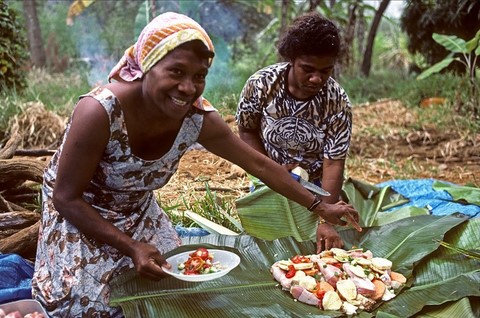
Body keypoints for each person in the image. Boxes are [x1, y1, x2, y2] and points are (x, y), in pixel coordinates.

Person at [32, 12, 360, 317]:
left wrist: (321, 206)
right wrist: (130, 247)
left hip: (136, 211)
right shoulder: (99, 112)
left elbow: (259, 166)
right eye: (176, 72)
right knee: (89, 308)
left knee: (174, 292)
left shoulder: (196, 117)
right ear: (147, 65)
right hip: (80, 212)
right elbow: (65, 197)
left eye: (199, 76)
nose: (188, 88)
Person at [236, 12, 358, 253]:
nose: (316, 78)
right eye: (308, 69)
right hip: (268, 177)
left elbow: (333, 163)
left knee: (320, 246)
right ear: (291, 59)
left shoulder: (337, 102)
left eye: (326, 71)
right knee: (267, 248)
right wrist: (271, 170)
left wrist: (326, 218)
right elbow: (247, 131)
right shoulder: (261, 85)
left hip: (316, 185)